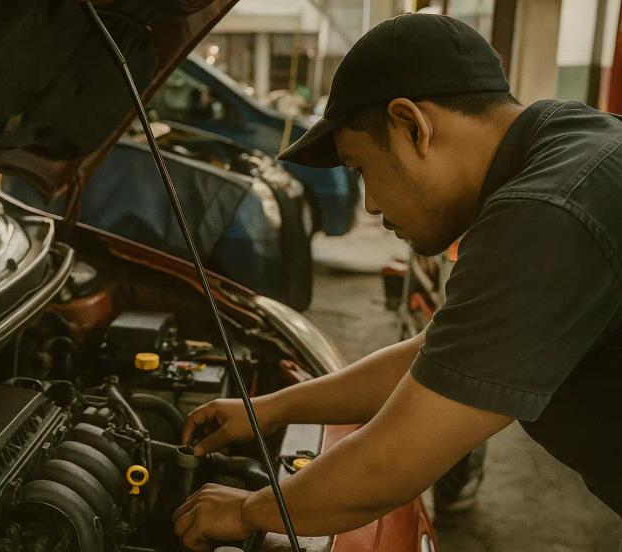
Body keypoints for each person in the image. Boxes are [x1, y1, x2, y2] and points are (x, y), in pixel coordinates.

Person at [173, 13, 621, 551]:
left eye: (360, 168)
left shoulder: (546, 214)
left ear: (412, 125)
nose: (370, 204)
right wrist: (269, 409)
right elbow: (441, 358)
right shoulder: (569, 142)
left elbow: (389, 464)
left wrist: (247, 511)